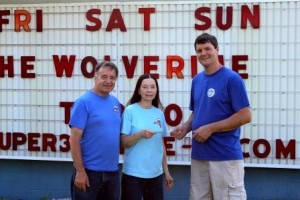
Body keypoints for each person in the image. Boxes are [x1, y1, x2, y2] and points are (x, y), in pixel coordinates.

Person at [171, 33, 252, 200]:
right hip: (199, 156)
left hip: (225, 157)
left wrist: (211, 128)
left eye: (208, 48)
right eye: (199, 50)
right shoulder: (197, 80)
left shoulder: (232, 79)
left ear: (217, 50)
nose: (203, 53)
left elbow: (245, 115)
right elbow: (198, 111)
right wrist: (186, 127)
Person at [69, 61, 121, 200]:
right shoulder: (83, 102)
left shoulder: (115, 103)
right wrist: (80, 171)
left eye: (112, 77)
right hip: (89, 172)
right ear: (95, 77)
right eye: (104, 77)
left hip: (112, 172)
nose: (108, 81)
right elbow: (74, 139)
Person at [120, 74, 174, 200]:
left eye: (152, 87)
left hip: (156, 174)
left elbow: (161, 145)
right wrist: (140, 135)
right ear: (139, 90)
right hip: (133, 174)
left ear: (156, 90)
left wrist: (166, 172)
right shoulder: (130, 111)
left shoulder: (159, 113)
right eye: (145, 87)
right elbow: (123, 142)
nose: (149, 90)